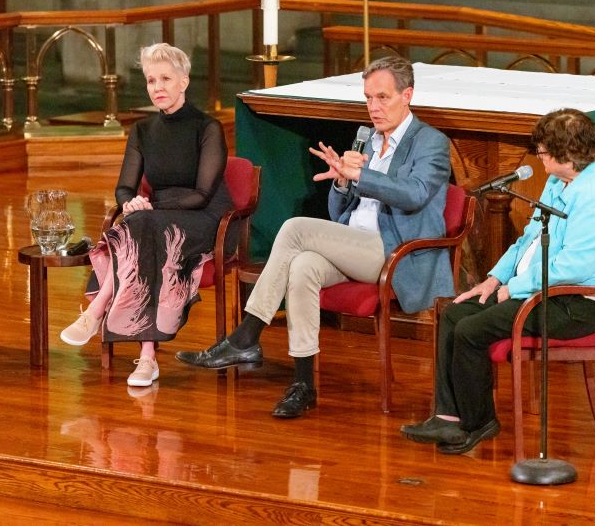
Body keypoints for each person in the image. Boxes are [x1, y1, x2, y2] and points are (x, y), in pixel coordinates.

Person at [177, 56, 454, 418]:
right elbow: (344, 210)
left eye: (383, 98)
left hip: (396, 252)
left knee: (296, 228)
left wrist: (360, 177)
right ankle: (304, 384)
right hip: (356, 243)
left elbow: (415, 194)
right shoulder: (368, 139)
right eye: (368, 98)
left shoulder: (430, 142)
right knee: (304, 266)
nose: (374, 107)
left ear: (408, 95)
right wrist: (341, 182)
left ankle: (246, 335)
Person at [402, 108, 595, 455]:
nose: (538, 158)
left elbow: (573, 268)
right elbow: (528, 238)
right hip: (539, 289)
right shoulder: (561, 178)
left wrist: (518, 287)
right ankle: (448, 418)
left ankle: (478, 423)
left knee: (471, 330)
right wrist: (494, 279)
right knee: (454, 314)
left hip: (575, 304)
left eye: (542, 151)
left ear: (566, 154)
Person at [59, 43, 233, 389]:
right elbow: (123, 188)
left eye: (166, 78)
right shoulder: (142, 130)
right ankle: (147, 358)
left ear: (184, 81)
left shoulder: (207, 127)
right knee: (139, 231)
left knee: (142, 229)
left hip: (203, 217)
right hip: (155, 219)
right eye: (152, 80)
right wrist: (132, 204)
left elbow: (201, 194)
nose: (158, 88)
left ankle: (96, 312)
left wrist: (148, 209)